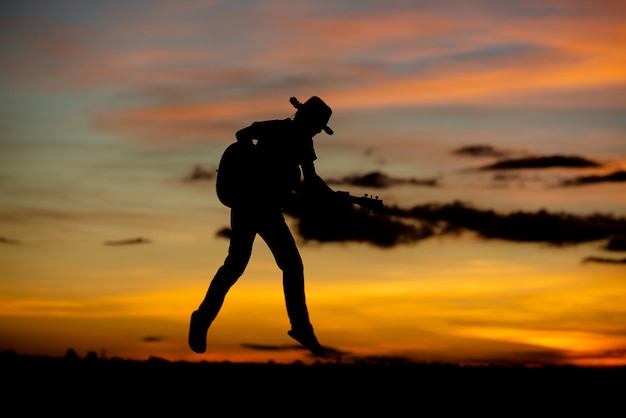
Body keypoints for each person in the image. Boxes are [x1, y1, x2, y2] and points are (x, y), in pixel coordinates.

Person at [188, 96, 336, 357]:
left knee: (248, 265)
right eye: (317, 126)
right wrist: (253, 167)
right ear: (306, 119)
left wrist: (334, 196)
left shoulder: (304, 142)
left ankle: (203, 318)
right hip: (249, 205)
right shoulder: (278, 128)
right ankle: (299, 327)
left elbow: (311, 180)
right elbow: (242, 134)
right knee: (257, 265)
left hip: (268, 209)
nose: (316, 132)